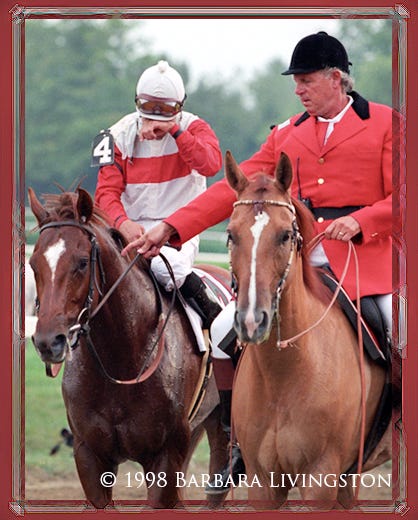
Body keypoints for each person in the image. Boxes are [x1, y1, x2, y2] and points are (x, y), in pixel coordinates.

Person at [122, 32, 393, 492]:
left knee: (402, 330)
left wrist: (361, 220)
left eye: (306, 80)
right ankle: (239, 445)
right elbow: (235, 189)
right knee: (224, 331)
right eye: (296, 81)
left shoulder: (386, 124)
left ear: (336, 79)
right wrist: (170, 228)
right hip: (294, 260)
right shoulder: (286, 133)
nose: (298, 89)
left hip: (367, 263)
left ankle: (398, 430)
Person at [94, 60, 224, 329]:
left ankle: (217, 318)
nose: (155, 117)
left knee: (166, 266)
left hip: (177, 231)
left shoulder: (196, 127)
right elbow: (105, 193)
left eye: (165, 110)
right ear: (137, 102)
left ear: (180, 107)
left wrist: (174, 131)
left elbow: (211, 165)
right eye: (149, 107)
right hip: (126, 231)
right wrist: (122, 223)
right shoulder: (112, 136)